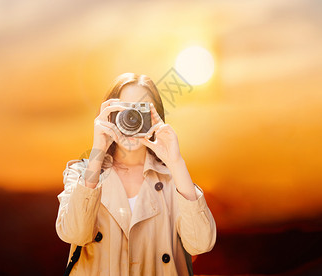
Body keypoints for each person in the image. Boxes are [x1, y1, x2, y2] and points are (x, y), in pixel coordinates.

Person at [55, 73, 217, 275]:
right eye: (124, 111)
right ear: (107, 115)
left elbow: (201, 244)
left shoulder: (173, 177)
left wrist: (175, 161)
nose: (131, 119)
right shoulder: (81, 173)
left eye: (140, 111)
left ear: (156, 117)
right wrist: (98, 150)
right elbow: (74, 233)